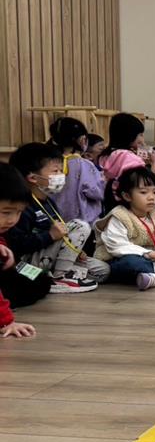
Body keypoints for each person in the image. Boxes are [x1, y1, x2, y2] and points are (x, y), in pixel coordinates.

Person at [7, 142, 109, 293]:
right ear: (33, 177)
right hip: (27, 261)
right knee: (80, 225)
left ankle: (56, 273)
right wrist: (49, 236)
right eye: (55, 171)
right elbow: (18, 244)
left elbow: (61, 234)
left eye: (61, 170)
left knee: (102, 270)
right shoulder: (22, 206)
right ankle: (60, 277)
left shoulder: (49, 202)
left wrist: (73, 250)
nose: (61, 175)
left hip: (50, 258)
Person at [93, 166, 155, 291]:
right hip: (120, 259)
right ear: (127, 196)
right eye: (143, 192)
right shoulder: (119, 216)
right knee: (130, 263)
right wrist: (152, 254)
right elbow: (117, 246)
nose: (151, 197)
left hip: (154, 258)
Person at [0, 163, 48, 337]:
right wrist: (6, 321)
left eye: (19, 212)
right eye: (6, 212)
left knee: (41, 279)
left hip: (17, 266)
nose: (12, 220)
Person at [48, 117, 105, 226]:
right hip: (81, 223)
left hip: (56, 223)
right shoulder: (84, 165)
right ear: (82, 140)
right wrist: (103, 180)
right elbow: (96, 192)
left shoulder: (48, 163)